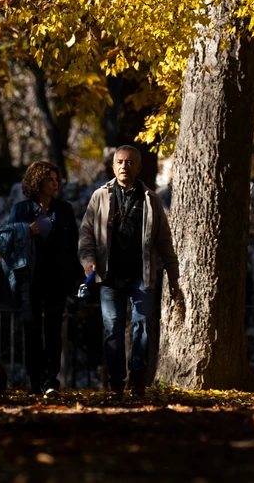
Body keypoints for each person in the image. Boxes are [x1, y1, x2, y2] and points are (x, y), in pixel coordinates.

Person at [77, 145, 181, 395]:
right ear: (113, 167)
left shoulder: (151, 199)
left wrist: (173, 274)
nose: (125, 166)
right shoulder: (99, 196)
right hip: (109, 277)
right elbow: (86, 235)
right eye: (120, 162)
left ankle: (137, 378)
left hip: (141, 275)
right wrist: (88, 261)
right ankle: (115, 382)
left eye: (130, 162)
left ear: (139, 167)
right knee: (112, 328)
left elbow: (164, 241)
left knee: (143, 324)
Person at [5, 160, 81, 394]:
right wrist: (27, 230)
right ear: (37, 181)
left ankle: (50, 380)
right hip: (30, 278)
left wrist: (77, 276)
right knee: (31, 330)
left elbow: (73, 244)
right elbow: (7, 240)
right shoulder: (21, 209)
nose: (55, 183)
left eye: (57, 179)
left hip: (57, 278)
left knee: (54, 329)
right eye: (50, 179)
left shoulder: (65, 209)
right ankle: (35, 380)